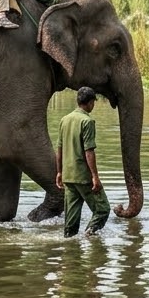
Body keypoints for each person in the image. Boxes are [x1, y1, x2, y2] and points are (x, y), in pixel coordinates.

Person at [56, 87, 111, 237]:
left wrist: (60, 172)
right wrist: (95, 177)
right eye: (94, 102)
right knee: (102, 209)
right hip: (83, 177)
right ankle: (89, 235)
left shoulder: (64, 120)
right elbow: (89, 151)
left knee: (70, 223)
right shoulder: (87, 121)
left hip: (68, 177)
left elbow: (59, 149)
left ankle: (70, 248)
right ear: (91, 102)